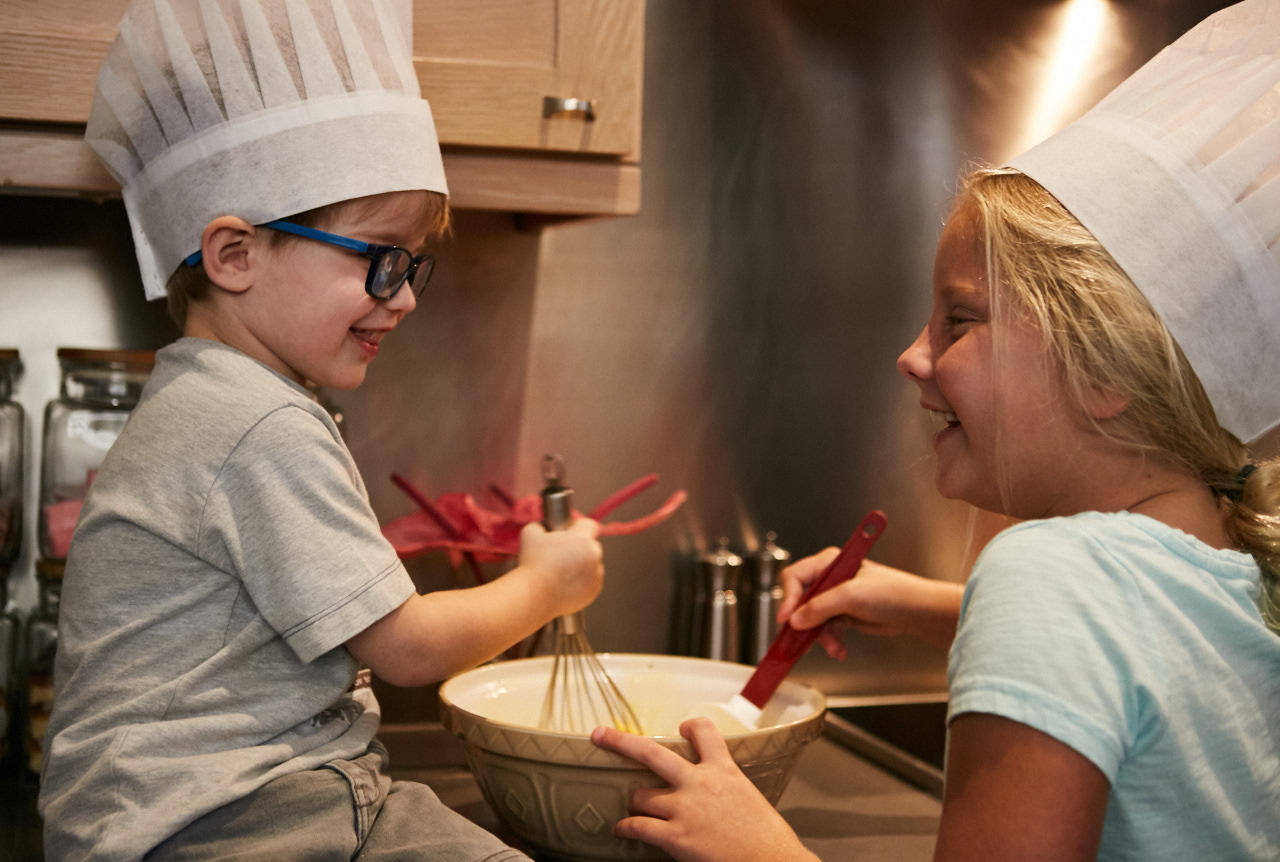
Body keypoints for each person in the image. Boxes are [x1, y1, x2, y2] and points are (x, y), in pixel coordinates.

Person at [591, 2, 1280, 860]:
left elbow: (1078, 620)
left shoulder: (1046, 576)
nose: (913, 357)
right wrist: (924, 607)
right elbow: (1135, 657)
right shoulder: (1237, 566)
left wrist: (755, 847)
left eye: (959, 321)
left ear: (1103, 373)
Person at [39, 2, 599, 860]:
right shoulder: (257, 420)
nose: (404, 295)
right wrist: (547, 583)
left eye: (413, 265)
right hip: (232, 822)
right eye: (380, 257)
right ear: (234, 256)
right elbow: (407, 649)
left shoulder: (205, 399)